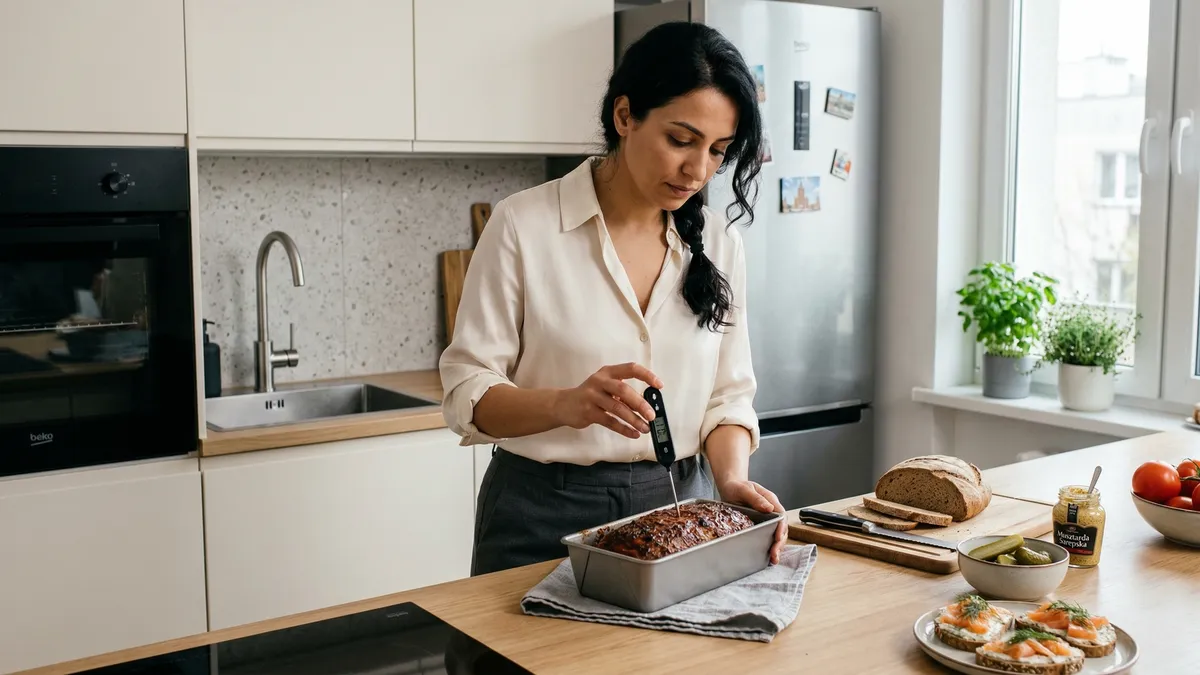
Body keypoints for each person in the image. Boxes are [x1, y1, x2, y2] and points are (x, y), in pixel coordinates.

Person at [439, 21, 786, 577]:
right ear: (625, 116)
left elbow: (728, 398)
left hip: (683, 510)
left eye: (718, 151)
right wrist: (563, 404)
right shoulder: (522, 225)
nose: (698, 171)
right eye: (680, 139)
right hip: (540, 514)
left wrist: (732, 479)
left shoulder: (719, 241)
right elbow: (467, 391)